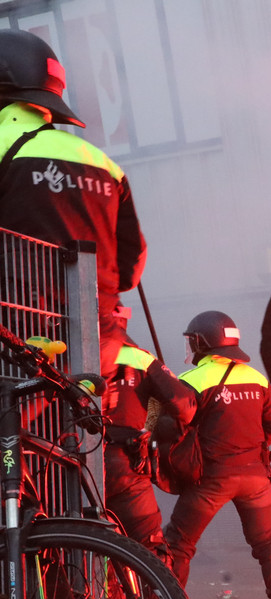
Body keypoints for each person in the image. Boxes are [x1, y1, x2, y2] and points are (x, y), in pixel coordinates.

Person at [0, 30, 146, 379]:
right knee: (79, 433)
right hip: (94, 346)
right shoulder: (105, 165)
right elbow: (129, 269)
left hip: (16, 338)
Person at [163, 311, 271, 599]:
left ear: (201, 341)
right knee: (268, 544)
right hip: (256, 478)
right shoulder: (257, 378)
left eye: (191, 340)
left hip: (212, 479)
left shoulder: (192, 380)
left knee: (178, 545)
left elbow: (171, 426)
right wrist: (253, 446)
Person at [102, 304, 196, 561]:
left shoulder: (63, 351)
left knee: (88, 547)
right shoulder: (138, 357)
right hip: (126, 467)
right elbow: (184, 407)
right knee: (149, 551)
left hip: (69, 468)